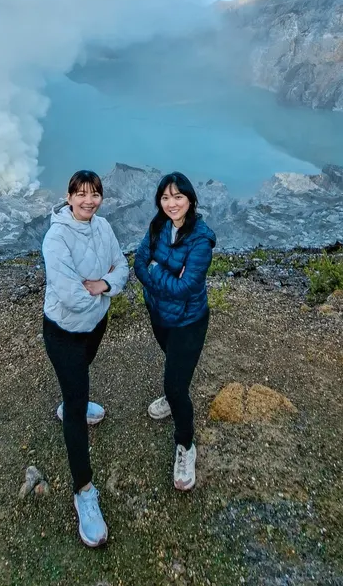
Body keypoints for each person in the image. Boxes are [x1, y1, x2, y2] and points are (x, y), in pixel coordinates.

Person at [42, 169, 128, 548]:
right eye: (81, 194)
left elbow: (122, 266)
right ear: (69, 197)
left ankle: (70, 401)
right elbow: (68, 294)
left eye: (94, 194)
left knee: (78, 381)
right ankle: (84, 492)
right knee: (77, 405)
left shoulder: (104, 227)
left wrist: (104, 284)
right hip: (63, 332)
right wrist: (103, 291)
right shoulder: (56, 237)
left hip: (95, 325)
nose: (88, 200)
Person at [134, 172, 215, 491]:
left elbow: (185, 288)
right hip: (159, 314)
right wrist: (162, 272)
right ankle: (173, 396)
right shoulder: (157, 226)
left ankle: (186, 445)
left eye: (178, 196)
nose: (171, 203)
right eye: (165, 197)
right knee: (172, 363)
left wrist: (155, 269)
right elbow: (139, 264)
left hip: (188, 321)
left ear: (190, 200)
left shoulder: (200, 240)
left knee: (176, 386)